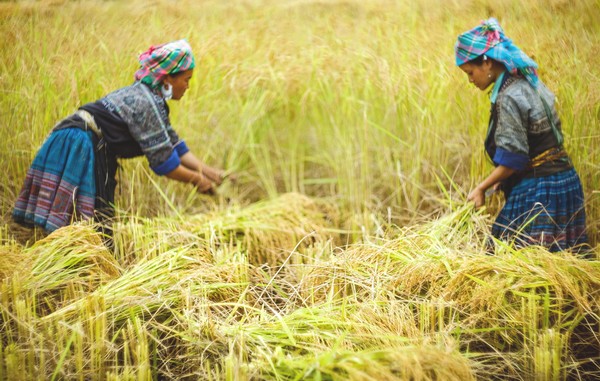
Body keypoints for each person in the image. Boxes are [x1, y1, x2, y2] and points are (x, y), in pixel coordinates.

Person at [13, 39, 228, 236]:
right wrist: (197, 180)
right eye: (186, 80)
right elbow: (164, 163)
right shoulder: (147, 103)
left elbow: (174, 146)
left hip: (74, 138)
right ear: (168, 78)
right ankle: (84, 272)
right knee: (92, 224)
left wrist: (211, 173)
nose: (188, 86)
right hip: (81, 144)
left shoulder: (149, 97)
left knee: (85, 224)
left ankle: (80, 269)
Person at [454, 18, 588, 252]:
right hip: (565, 182)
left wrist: (482, 187)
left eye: (470, 72)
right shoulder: (528, 83)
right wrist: (503, 179)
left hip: (542, 192)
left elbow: (513, 159)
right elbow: (540, 144)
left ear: (486, 63)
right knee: (562, 263)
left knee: (509, 260)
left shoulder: (508, 97)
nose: (470, 80)